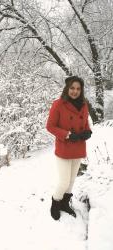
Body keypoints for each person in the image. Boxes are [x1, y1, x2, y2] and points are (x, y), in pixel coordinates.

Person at [46, 76, 92, 220]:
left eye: (78, 89)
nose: (75, 91)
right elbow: (50, 126)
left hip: (78, 147)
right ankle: (55, 202)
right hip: (64, 148)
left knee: (72, 180)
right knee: (64, 181)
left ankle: (65, 203)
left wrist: (87, 131)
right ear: (67, 88)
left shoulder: (84, 104)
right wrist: (67, 135)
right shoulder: (58, 104)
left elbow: (84, 123)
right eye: (72, 88)